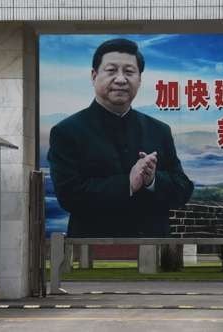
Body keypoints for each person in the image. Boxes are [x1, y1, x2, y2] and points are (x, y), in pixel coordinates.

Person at [47, 38, 194, 238]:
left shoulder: (159, 130)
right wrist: (128, 184)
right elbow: (69, 196)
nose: (121, 79)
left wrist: (152, 180)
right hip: (93, 254)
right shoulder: (67, 132)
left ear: (140, 79)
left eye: (129, 72)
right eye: (111, 70)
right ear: (94, 75)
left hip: (155, 252)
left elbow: (183, 189)